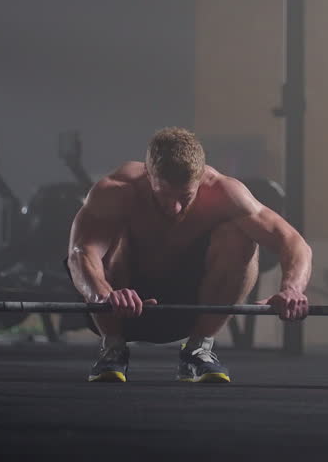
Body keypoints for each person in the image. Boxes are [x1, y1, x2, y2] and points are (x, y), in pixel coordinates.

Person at [65, 127, 312, 382]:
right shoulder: (118, 189)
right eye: (164, 195)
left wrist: (292, 288)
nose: (174, 207)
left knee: (240, 238)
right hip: (116, 307)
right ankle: (112, 348)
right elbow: (79, 253)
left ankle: (198, 349)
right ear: (148, 174)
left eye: (185, 197)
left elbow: (294, 242)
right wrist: (102, 295)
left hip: (188, 309)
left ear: (200, 179)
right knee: (108, 235)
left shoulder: (223, 192)